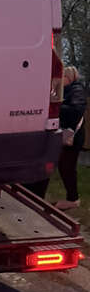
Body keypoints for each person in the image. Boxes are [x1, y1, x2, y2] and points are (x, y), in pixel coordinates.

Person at [55, 66, 86, 211]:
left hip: (73, 136)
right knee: (64, 166)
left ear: (69, 77)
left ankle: (73, 199)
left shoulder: (77, 91)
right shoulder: (69, 90)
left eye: (63, 77)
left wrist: (57, 106)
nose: (61, 80)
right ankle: (72, 198)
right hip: (69, 134)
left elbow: (75, 111)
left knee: (67, 167)